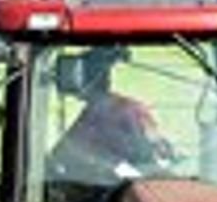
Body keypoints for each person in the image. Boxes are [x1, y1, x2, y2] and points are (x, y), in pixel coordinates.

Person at [46, 49, 175, 189]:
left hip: (124, 189)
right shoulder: (94, 113)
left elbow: (156, 156)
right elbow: (64, 154)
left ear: (86, 79)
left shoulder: (128, 111)